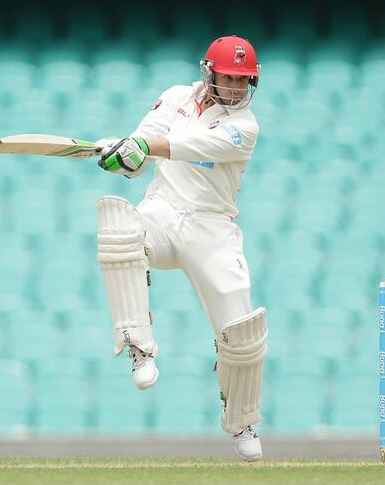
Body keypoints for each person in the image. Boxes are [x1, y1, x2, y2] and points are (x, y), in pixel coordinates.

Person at [93, 35, 266, 462]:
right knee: (119, 224)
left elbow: (184, 147)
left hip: (212, 226)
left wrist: (141, 147)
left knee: (242, 328)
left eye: (244, 81)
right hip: (163, 213)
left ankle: (241, 419)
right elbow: (143, 149)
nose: (236, 88)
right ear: (209, 72)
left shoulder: (245, 127)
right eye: (229, 77)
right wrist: (124, 155)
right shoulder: (175, 98)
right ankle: (139, 346)